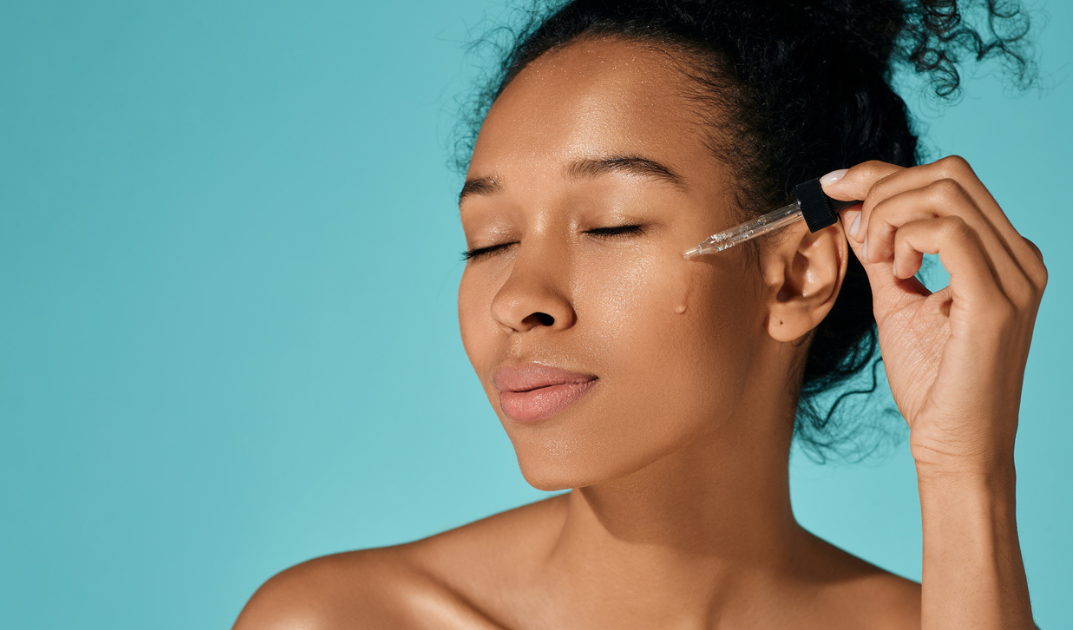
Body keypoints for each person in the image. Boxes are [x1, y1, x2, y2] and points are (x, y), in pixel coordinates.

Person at [235, 1, 1046, 627]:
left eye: (612, 225)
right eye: (488, 242)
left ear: (797, 275)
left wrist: (966, 473)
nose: (520, 299)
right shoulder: (342, 620)